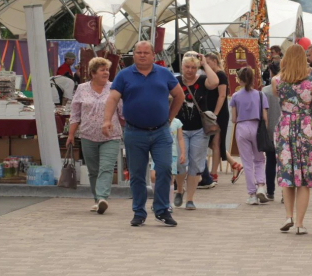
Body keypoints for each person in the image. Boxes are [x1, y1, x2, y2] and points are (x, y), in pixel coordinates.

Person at [103, 41, 184, 227]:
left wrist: (170, 118)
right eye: (138, 52)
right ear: (134, 55)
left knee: (164, 168)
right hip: (134, 132)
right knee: (137, 174)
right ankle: (139, 212)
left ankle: (162, 209)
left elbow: (179, 95)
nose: (141, 55)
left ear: (153, 55)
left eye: (145, 52)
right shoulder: (124, 75)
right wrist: (107, 120)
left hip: (161, 132)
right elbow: (113, 97)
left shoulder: (164, 73)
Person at [273, 44, 312, 235]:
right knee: (304, 179)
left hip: (285, 128)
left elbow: (279, 100)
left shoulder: (277, 81)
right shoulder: (311, 82)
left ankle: (288, 216)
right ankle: (299, 223)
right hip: (306, 129)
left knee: (287, 173)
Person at [68, 57, 123, 214]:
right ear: (93, 73)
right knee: (93, 170)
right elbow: (75, 113)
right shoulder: (82, 89)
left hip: (111, 136)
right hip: (87, 135)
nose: (106, 72)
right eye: (102, 70)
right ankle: (97, 199)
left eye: (107, 70)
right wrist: (71, 134)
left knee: (106, 168)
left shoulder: (114, 88)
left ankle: (102, 197)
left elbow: (122, 111)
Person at [173, 51, 219, 210]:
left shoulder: (203, 80)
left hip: (200, 130)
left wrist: (205, 64)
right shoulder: (175, 81)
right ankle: (179, 190)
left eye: (193, 67)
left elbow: (215, 82)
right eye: (187, 67)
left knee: (195, 165)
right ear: (182, 66)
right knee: (180, 162)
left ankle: (190, 199)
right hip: (180, 129)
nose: (190, 70)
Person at [230, 67, 270, 205]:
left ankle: (252, 194)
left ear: (240, 80)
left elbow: (233, 119)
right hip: (257, 127)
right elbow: (265, 117)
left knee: (247, 163)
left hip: (241, 128)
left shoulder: (235, 96)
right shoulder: (260, 95)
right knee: (259, 159)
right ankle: (261, 186)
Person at [205, 52, 239, 184]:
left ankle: (214, 173)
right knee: (213, 142)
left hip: (218, 114)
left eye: (208, 63)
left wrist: (215, 114)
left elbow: (222, 96)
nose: (206, 66)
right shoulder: (211, 75)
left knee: (215, 143)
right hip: (212, 113)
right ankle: (234, 164)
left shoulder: (220, 75)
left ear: (214, 61)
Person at [261, 61, 281, 200]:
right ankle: (286, 193)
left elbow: (263, 113)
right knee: (286, 164)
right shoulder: (289, 88)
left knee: (270, 161)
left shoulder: (265, 91)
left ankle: (270, 191)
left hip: (270, 130)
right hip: (285, 130)